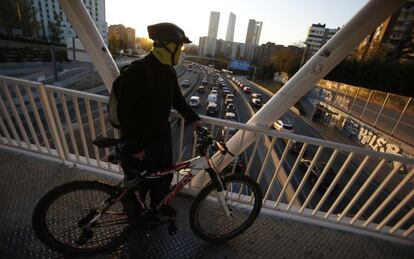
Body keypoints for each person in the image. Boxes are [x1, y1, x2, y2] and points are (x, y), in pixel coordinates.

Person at [117, 23, 202, 216]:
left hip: (161, 139)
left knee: (164, 176)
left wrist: (195, 119)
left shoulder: (168, 71)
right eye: (178, 47)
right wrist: (134, 146)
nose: (180, 51)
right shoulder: (137, 71)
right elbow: (125, 113)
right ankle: (134, 217)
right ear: (164, 45)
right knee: (139, 184)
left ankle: (157, 207)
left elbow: (178, 101)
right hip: (140, 142)